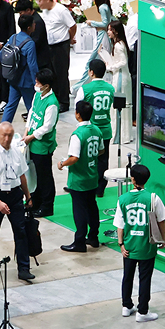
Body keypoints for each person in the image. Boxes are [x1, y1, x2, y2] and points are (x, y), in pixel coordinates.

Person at [0, 122, 35, 281]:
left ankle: (23, 267)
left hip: (14, 195)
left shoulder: (17, 152)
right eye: (4, 135)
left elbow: (22, 176)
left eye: (10, 135)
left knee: (20, 230)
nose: (7, 138)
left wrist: (28, 196)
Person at [115, 163, 165, 322]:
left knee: (127, 277)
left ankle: (126, 306)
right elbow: (161, 221)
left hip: (129, 247)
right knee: (145, 279)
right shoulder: (153, 198)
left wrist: (121, 245)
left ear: (132, 179)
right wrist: (162, 239)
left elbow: (120, 225)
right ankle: (143, 312)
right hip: (147, 247)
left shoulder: (122, 199)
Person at [60, 100, 102, 253]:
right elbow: (101, 150)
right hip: (92, 176)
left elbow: (74, 158)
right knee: (92, 206)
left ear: (77, 114)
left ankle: (79, 241)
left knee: (79, 210)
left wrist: (62, 163)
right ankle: (94, 237)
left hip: (79, 180)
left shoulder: (77, 135)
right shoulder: (96, 130)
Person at [75, 58, 115, 196]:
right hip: (106, 129)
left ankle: (85, 186)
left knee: (86, 158)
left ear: (91, 72)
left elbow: (78, 109)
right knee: (103, 160)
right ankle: (101, 188)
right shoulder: (110, 88)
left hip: (89, 131)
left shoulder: (85, 89)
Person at [23, 68, 59, 217]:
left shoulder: (52, 103)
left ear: (46, 86)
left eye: (38, 83)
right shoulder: (38, 95)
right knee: (34, 175)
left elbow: (47, 126)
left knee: (44, 177)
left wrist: (31, 136)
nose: (36, 85)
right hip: (32, 141)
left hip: (42, 145)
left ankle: (47, 206)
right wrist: (26, 130)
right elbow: (32, 112)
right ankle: (35, 202)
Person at [37, 0, 76, 111]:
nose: (38, 3)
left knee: (61, 73)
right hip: (49, 45)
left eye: (40, 1)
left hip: (61, 46)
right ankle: (54, 98)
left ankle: (64, 101)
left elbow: (72, 26)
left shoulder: (61, 10)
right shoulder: (45, 11)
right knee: (51, 73)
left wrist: (70, 38)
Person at [74, 0, 113, 94]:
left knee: (92, 62)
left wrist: (91, 22)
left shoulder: (102, 7)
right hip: (102, 35)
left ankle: (78, 88)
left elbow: (105, 23)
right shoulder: (104, 6)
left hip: (102, 36)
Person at [1, 13, 39, 123]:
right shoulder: (30, 43)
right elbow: (32, 65)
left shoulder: (13, 37)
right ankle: (33, 129)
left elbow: (1, 53)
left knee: (10, 106)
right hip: (26, 81)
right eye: (33, 23)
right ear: (29, 27)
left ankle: (3, 128)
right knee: (32, 108)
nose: (35, 25)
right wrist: (37, 82)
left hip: (13, 78)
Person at [98, 20, 133, 109]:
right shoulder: (119, 44)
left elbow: (123, 62)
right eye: (108, 29)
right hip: (119, 75)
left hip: (120, 77)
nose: (108, 32)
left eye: (110, 30)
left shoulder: (118, 45)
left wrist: (110, 67)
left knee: (119, 103)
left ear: (116, 32)